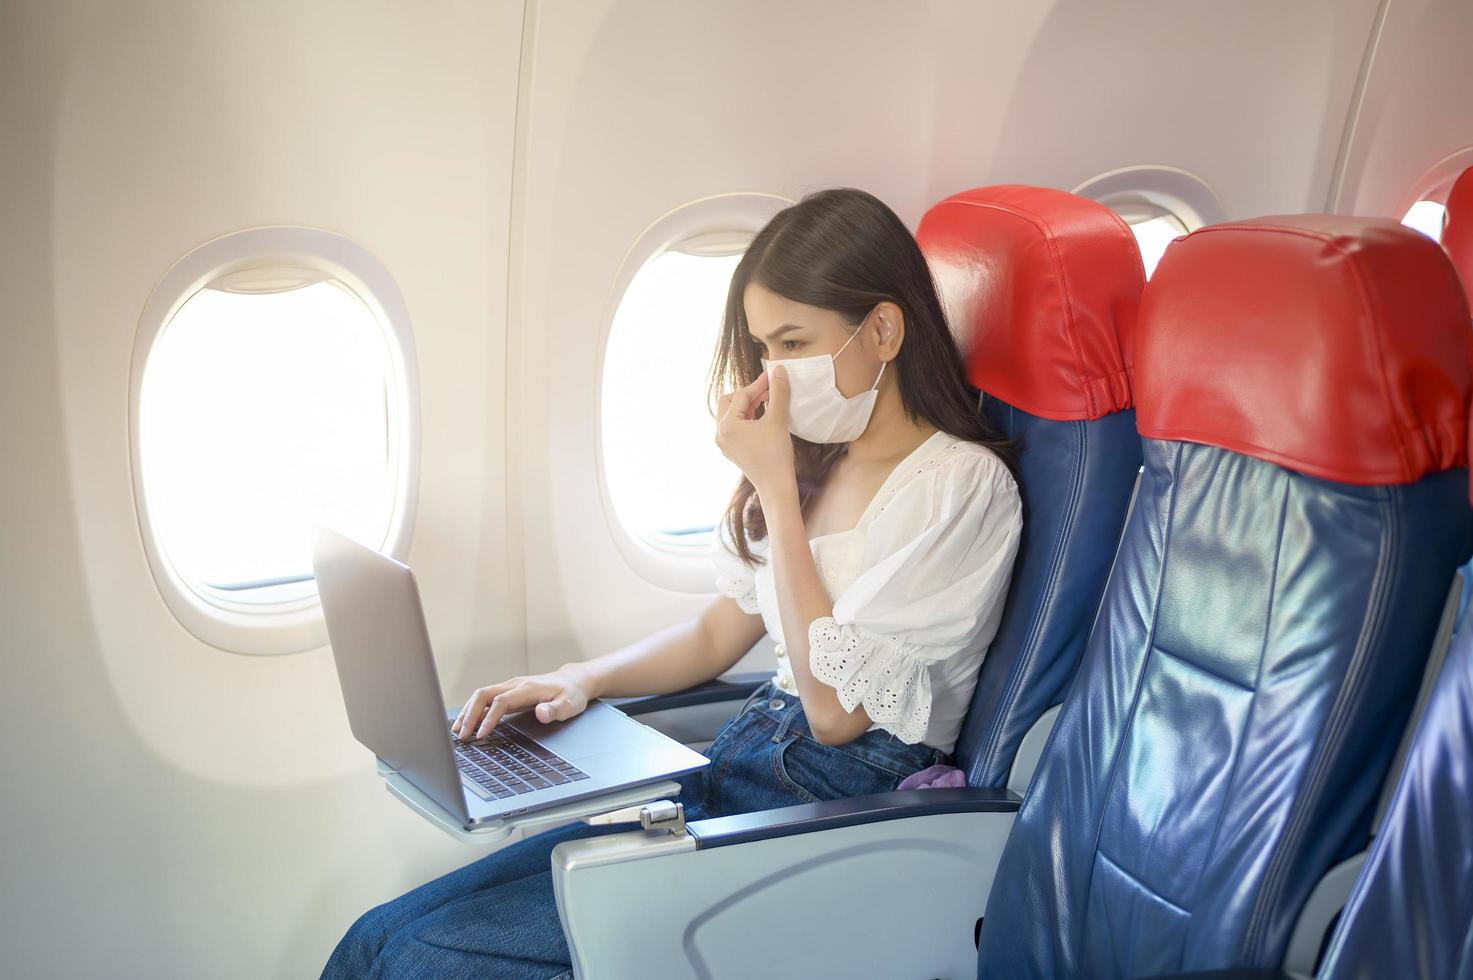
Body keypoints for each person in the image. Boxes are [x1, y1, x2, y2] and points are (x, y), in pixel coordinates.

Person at [320, 187, 1025, 979]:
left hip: (823, 823)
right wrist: (578, 677)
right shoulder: (821, 460)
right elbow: (716, 635)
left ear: (884, 329)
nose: (775, 375)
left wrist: (778, 496)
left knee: (423, 962)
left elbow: (834, 715)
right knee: (379, 935)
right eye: (762, 349)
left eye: (794, 342)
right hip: (735, 783)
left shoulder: (961, 489)